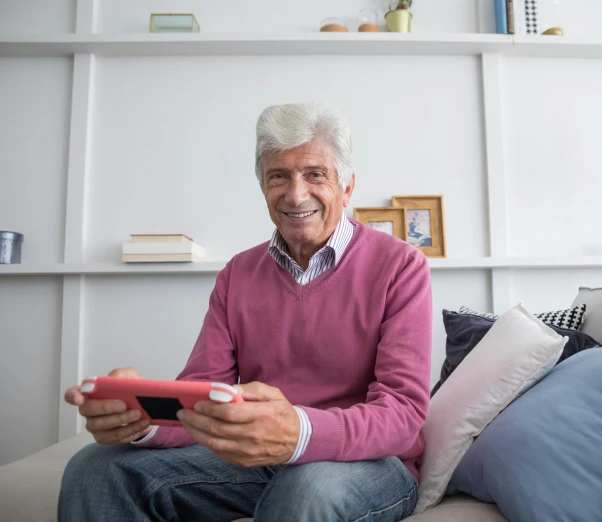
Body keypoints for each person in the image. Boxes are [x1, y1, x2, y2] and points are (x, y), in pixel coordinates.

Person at [58, 102, 433, 522]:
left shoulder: (401, 265)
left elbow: (402, 413)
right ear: (262, 186)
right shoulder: (238, 273)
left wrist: (298, 432)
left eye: (314, 174)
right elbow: (202, 393)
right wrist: (141, 419)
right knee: (96, 469)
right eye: (278, 176)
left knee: (305, 490)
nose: (295, 194)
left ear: (346, 187)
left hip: (370, 462)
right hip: (257, 455)